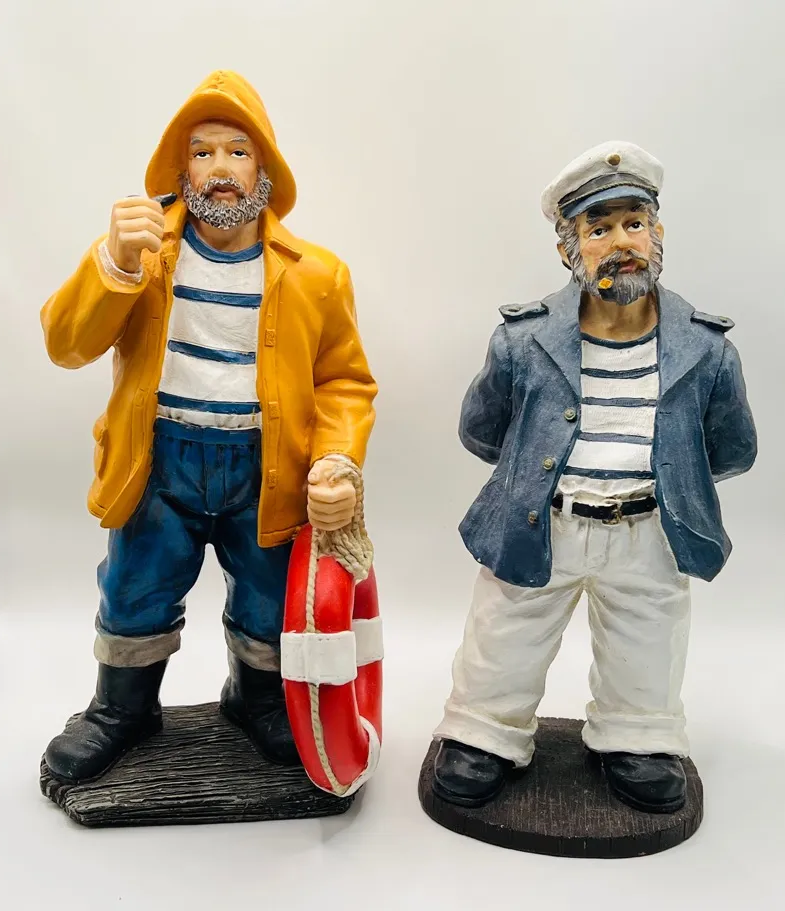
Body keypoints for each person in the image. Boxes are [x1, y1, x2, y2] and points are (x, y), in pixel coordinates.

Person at [40, 70, 377, 784]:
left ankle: (257, 698)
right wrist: (113, 264)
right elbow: (65, 344)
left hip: (266, 466)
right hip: (160, 462)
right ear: (179, 171)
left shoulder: (316, 274)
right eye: (202, 152)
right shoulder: (145, 257)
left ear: (265, 169)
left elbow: (343, 382)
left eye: (237, 151)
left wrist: (337, 459)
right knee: (135, 586)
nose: (220, 169)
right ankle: (123, 708)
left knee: (267, 594)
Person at [431, 141, 756, 813]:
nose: (620, 242)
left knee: (648, 638)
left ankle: (638, 736)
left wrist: (669, 485)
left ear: (658, 234)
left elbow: (731, 448)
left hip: (647, 528)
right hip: (542, 521)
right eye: (598, 228)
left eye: (634, 223)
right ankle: (484, 731)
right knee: (507, 630)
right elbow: (481, 429)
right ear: (568, 248)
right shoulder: (522, 340)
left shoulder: (706, 348)